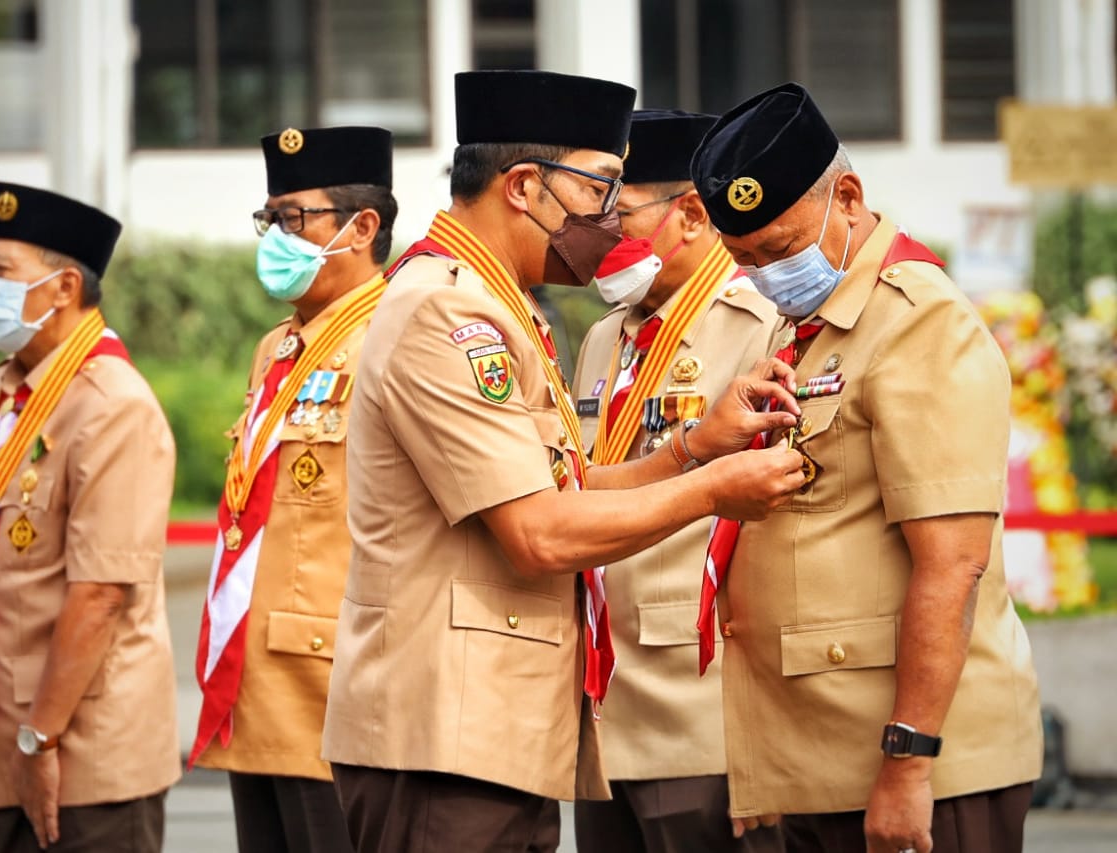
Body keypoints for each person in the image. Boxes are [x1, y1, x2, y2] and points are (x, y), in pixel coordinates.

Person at [321, 69, 809, 853]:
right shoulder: (448, 311)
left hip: (487, 731)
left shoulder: (496, 303)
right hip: (447, 736)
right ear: (523, 186)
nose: (612, 219)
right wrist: (715, 487)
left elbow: (564, 486)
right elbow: (539, 533)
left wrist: (690, 448)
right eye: (600, 187)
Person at [689, 82, 1043, 853]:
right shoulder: (808, 331)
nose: (763, 276)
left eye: (778, 250)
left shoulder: (919, 322)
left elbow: (952, 566)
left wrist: (908, 762)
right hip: (826, 756)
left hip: (918, 768)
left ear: (847, 197)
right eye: (743, 260)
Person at [0, 182, 179, 852]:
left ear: (65, 287)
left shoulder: (113, 405)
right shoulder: (1, 390)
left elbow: (99, 594)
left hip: (82, 754)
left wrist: (40, 739)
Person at [571, 108, 784, 853]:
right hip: (605, 703)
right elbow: (583, 483)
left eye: (619, 214)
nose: (602, 234)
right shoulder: (608, 334)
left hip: (701, 711)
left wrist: (761, 735)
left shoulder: (760, 321)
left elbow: (774, 522)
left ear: (692, 214)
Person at [189, 125, 397, 853]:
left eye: (293, 218)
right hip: (258, 683)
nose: (274, 237)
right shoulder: (277, 348)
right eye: (269, 219)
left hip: (336, 691)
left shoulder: (394, 338)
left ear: (362, 226)